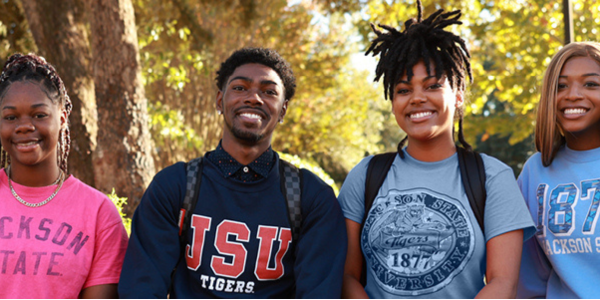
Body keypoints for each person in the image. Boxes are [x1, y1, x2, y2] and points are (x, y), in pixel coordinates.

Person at [337, 1, 535, 298]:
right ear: (393, 102)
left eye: (432, 86)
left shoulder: (492, 177)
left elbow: (502, 283)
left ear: (457, 96)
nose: (417, 98)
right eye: (404, 90)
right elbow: (347, 275)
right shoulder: (366, 175)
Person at [118, 47, 347, 298]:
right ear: (219, 100)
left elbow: (319, 293)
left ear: (282, 110)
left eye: (269, 92)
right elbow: (141, 288)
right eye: (240, 88)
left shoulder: (311, 198)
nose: (254, 98)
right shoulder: (175, 185)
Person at [0, 53, 129, 298]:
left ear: (61, 118)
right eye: (11, 117)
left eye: (39, 115)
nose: (24, 125)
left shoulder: (99, 214)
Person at [516, 42, 600, 298]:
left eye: (591, 84)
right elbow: (528, 276)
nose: (572, 94)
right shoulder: (535, 172)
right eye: (561, 86)